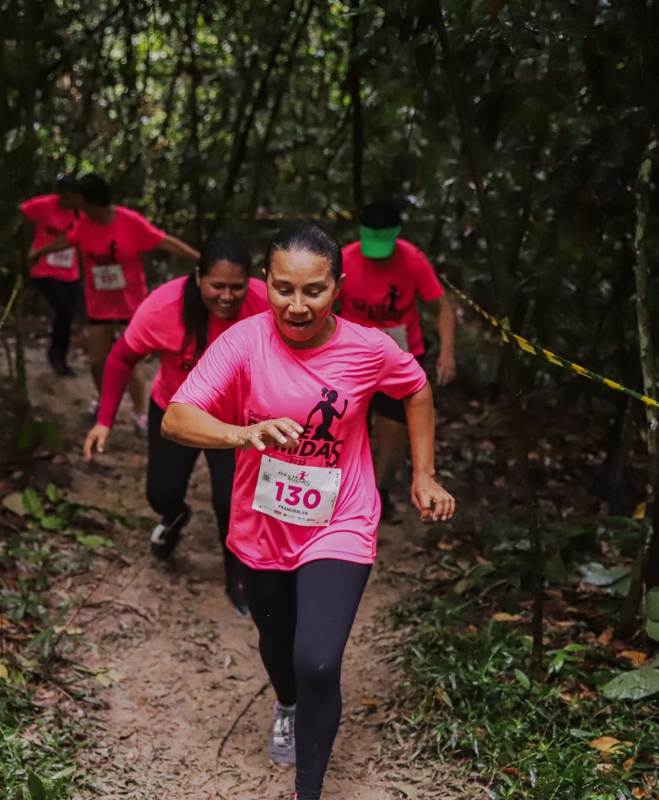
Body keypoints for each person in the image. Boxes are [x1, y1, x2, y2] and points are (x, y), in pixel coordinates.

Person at [162, 223, 455, 799]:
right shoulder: (243, 342)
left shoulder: (369, 348)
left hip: (340, 518)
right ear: (265, 283)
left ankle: (308, 790)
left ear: (338, 287)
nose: (297, 306)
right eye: (284, 289)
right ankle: (288, 705)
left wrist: (423, 474)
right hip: (263, 521)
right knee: (279, 647)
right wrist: (242, 434)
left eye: (314, 291)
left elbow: (416, 390)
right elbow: (177, 417)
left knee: (317, 661)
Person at [83, 235, 268, 611]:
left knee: (231, 502)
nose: (227, 296)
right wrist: (105, 420)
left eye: (237, 287)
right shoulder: (163, 306)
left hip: (236, 421)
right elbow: (121, 358)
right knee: (161, 493)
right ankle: (175, 516)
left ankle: (237, 576)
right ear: (198, 278)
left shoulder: (266, 304)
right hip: (176, 411)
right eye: (217, 286)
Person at [29, 173, 199, 434]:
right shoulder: (84, 224)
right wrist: (39, 252)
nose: (78, 208)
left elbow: (163, 241)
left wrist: (200, 259)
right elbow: (69, 239)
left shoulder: (130, 222)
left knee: (130, 362)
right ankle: (104, 400)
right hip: (99, 304)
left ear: (93, 203)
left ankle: (140, 414)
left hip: (130, 304)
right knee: (97, 360)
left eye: (81, 203)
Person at [338, 199, 457, 523]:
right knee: (348, 425)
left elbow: (441, 309)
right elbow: (323, 305)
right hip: (353, 357)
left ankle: (380, 493)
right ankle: (346, 492)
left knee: (394, 428)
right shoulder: (345, 260)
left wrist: (447, 353)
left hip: (401, 357)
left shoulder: (413, 261)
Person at [22, 175, 84, 376]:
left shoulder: (81, 213)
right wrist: (27, 249)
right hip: (44, 269)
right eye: (65, 195)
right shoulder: (43, 205)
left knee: (68, 314)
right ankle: (56, 356)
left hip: (70, 272)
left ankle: (60, 356)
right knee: (63, 308)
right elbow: (20, 215)